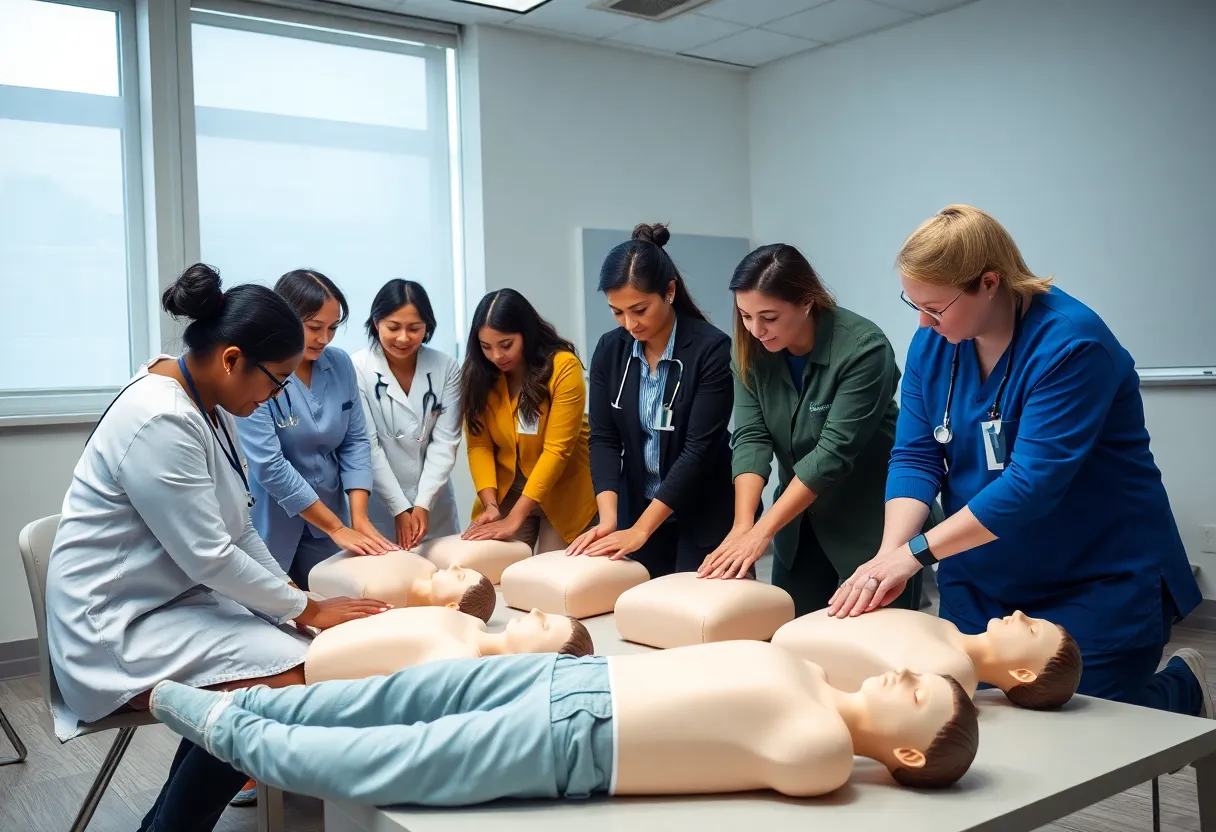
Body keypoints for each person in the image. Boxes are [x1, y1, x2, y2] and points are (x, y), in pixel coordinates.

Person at [829, 204, 1212, 720]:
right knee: (968, 715)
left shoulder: (1072, 344)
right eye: (913, 303)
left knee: (1091, 718)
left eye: (936, 307)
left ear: (989, 283)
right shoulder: (933, 345)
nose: (922, 322)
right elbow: (916, 456)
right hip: (982, 569)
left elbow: (1031, 484)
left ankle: (1185, 689)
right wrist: (888, 555)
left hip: (1096, 568)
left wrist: (916, 555)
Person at [44, 264, 389, 831]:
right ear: (231, 359)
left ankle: (165, 823)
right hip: (111, 626)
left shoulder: (203, 397)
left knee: (290, 648)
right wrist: (304, 607)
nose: (279, 395)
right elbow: (210, 555)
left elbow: (240, 527)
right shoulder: (161, 417)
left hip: (164, 603)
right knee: (290, 681)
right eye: (276, 380)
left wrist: (290, 597)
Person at [148, 640, 979, 808]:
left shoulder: (824, 754)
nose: (905, 670)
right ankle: (258, 704)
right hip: (574, 677)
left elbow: (807, 770)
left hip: (573, 745)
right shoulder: (812, 677)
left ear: (904, 750)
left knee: (388, 759)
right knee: (393, 696)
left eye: (917, 691)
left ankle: (226, 729)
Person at [698, 244, 927, 617]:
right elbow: (751, 438)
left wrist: (761, 532)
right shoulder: (750, 350)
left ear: (807, 302)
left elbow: (831, 456)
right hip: (799, 526)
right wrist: (743, 526)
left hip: (870, 526)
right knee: (793, 641)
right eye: (745, 316)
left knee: (869, 652)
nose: (756, 330)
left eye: (768, 317)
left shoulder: (863, 349)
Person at [566, 223, 734, 577]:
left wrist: (643, 528)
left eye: (639, 310)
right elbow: (604, 439)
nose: (629, 324)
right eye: (617, 311)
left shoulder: (710, 349)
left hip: (702, 510)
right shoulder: (610, 351)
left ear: (669, 291)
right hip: (636, 508)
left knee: (695, 614)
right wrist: (610, 519)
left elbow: (698, 451)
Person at [239, 269, 396, 590]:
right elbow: (268, 465)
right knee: (278, 613)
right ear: (284, 318)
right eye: (314, 328)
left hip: (330, 514)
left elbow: (354, 443)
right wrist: (336, 526)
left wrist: (358, 518)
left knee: (337, 599)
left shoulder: (339, 365)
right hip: (274, 517)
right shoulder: (256, 370)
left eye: (332, 328)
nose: (324, 338)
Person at [459, 289, 597, 551]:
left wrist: (515, 519)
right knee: (492, 566)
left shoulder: (563, 367)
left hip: (563, 491)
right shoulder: (479, 374)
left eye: (506, 344)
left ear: (527, 333)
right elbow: (479, 445)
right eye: (486, 347)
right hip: (508, 492)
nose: (497, 356)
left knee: (546, 576)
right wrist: (490, 504)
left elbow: (557, 451)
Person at [352, 279, 461, 549]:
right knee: (383, 583)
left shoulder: (445, 366)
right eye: (393, 327)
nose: (403, 337)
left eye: (414, 328)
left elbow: (445, 441)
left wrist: (423, 503)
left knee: (444, 582)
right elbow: (368, 445)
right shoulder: (357, 368)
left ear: (427, 328)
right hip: (380, 504)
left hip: (435, 504)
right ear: (376, 322)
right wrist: (399, 508)